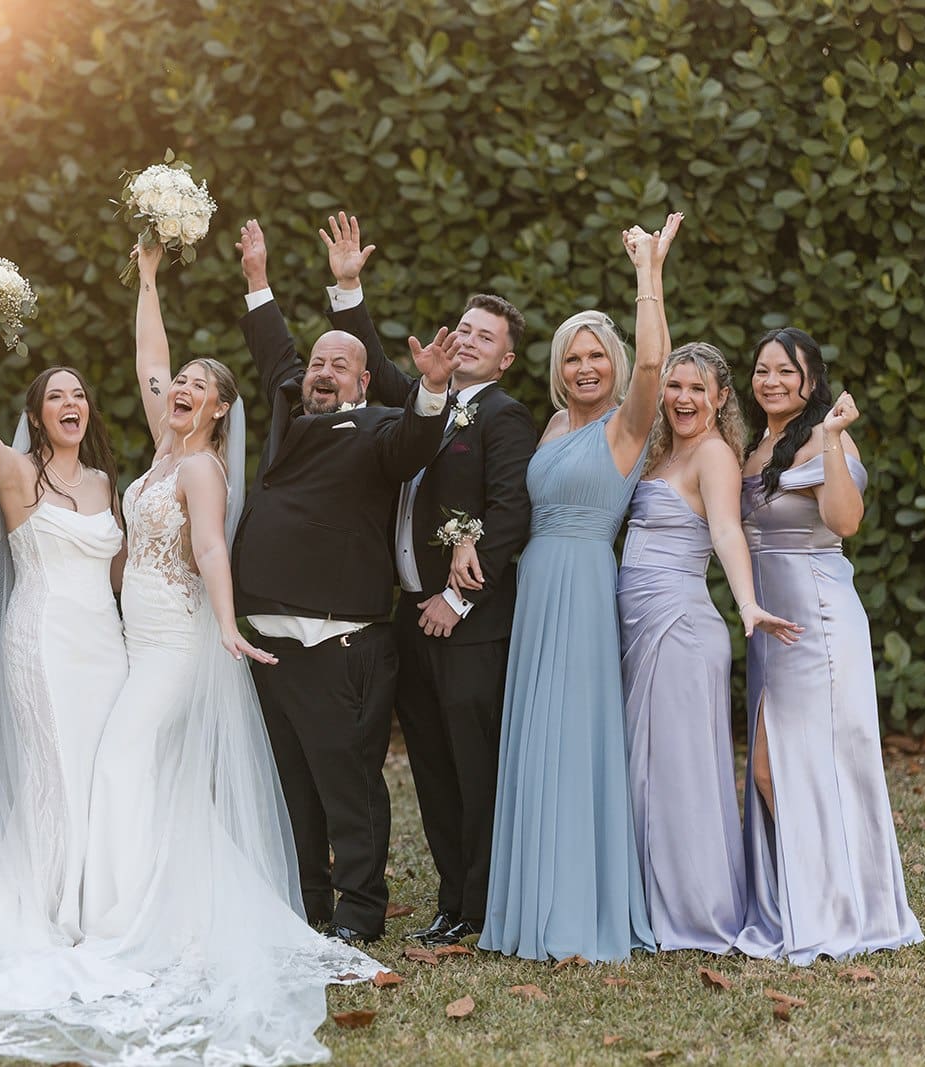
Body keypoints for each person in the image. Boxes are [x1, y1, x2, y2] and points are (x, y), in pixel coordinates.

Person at [0, 250, 379, 1067]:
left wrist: (206, 611)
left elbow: (187, 548)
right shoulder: (17, 475)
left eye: (79, 393)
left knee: (108, 772)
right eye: (55, 396)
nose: (70, 403)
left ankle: (117, 905)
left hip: (117, 647)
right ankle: (57, 902)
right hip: (42, 641)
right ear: (38, 416)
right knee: (63, 772)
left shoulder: (124, 480)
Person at [231, 219, 457, 943]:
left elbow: (421, 438)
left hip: (339, 643)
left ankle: (360, 911)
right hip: (270, 643)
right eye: (318, 361)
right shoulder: (288, 407)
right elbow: (274, 352)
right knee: (292, 785)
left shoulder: (384, 428)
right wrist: (257, 276)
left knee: (349, 787)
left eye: (339, 364)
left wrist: (429, 390)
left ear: (363, 381)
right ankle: (309, 903)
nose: (322, 371)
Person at [320, 213, 536, 946]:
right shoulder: (423, 399)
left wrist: (456, 597)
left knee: (476, 770)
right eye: (463, 328)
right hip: (410, 619)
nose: (468, 338)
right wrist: (348, 286)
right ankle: (452, 901)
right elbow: (376, 369)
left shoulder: (505, 419)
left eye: (485, 335)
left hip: (470, 626)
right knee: (435, 771)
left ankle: (482, 906)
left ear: (504, 361)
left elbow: (510, 513)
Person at [479, 214, 681, 964]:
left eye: (597, 355)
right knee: (533, 737)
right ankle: (527, 904)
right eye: (573, 356)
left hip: (587, 585)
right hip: (536, 587)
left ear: (616, 363)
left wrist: (647, 275)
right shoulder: (556, 423)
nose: (585, 367)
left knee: (576, 738)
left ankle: (575, 907)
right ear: (558, 367)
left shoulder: (629, 422)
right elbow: (517, 507)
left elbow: (656, 368)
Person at [734, 328, 922, 964]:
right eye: (762, 371)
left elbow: (844, 523)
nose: (772, 382)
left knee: (816, 765)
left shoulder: (823, 438)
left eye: (785, 372)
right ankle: (805, 896)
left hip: (819, 619)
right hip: (769, 629)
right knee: (769, 767)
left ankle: (839, 906)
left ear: (809, 380)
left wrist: (837, 438)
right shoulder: (753, 446)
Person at [618, 342, 801, 953]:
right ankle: (645, 897)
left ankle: (698, 909)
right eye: (675, 387)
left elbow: (725, 530)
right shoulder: (658, 450)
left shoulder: (717, 455)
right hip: (637, 625)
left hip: (680, 627)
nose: (684, 399)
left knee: (679, 774)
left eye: (698, 389)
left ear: (721, 399)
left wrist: (747, 603)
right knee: (643, 773)